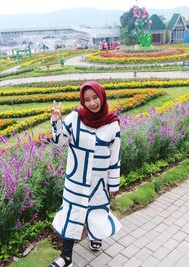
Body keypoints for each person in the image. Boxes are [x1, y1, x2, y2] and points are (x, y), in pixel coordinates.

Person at [49, 81, 122, 267]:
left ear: (102, 96)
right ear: (82, 101)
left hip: (99, 182)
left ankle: (94, 236)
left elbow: (115, 157)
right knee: (70, 215)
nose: (92, 103)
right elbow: (59, 142)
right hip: (76, 181)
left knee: (97, 213)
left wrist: (113, 184)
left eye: (95, 98)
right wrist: (56, 121)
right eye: (87, 99)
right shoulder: (75, 118)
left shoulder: (113, 125)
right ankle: (66, 258)